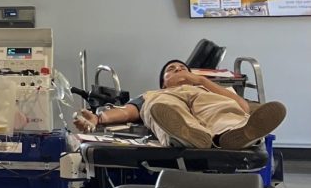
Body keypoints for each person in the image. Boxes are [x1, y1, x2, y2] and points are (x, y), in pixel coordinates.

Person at [74, 58, 286, 149]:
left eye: (181, 68)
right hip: (167, 100)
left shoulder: (205, 87)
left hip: (201, 92)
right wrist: (100, 118)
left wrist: (201, 81)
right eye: (171, 70)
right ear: (163, 81)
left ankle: (235, 133)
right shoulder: (154, 93)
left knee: (220, 108)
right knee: (162, 108)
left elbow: (243, 106)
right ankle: (188, 135)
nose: (177, 70)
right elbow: (128, 112)